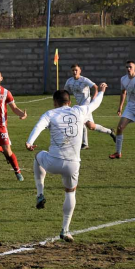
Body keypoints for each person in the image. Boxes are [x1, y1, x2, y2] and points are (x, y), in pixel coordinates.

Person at [26, 84, 107, 242]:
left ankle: (40, 193)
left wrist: (30, 142)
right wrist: (102, 91)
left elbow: (38, 127)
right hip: (73, 164)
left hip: (53, 162)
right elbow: (95, 103)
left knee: (38, 157)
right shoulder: (79, 110)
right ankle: (65, 229)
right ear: (69, 102)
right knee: (70, 192)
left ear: (55, 103)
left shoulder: (50, 113)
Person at [64, 64, 115, 149]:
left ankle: (84, 143)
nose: (74, 72)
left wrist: (94, 97)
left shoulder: (84, 80)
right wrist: (66, 101)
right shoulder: (69, 81)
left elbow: (95, 87)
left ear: (80, 70)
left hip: (86, 106)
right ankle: (110, 131)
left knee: (80, 122)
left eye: (76, 70)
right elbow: (65, 92)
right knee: (91, 126)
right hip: (79, 106)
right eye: (73, 70)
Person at [111, 61, 135, 159]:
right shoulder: (123, 79)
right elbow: (123, 92)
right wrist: (120, 107)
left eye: (130, 67)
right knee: (120, 128)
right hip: (130, 107)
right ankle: (118, 152)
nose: (128, 69)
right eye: (127, 67)